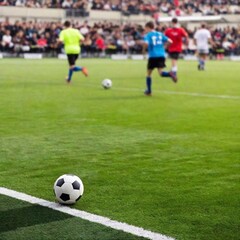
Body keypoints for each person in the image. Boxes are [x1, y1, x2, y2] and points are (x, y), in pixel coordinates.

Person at [143, 21, 177, 96]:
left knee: (148, 74)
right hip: (162, 55)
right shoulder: (160, 34)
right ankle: (170, 74)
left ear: (148, 27)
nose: (145, 30)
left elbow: (146, 43)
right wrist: (165, 47)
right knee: (161, 73)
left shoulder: (148, 35)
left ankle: (149, 91)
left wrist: (144, 51)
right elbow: (170, 41)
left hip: (153, 56)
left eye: (145, 29)